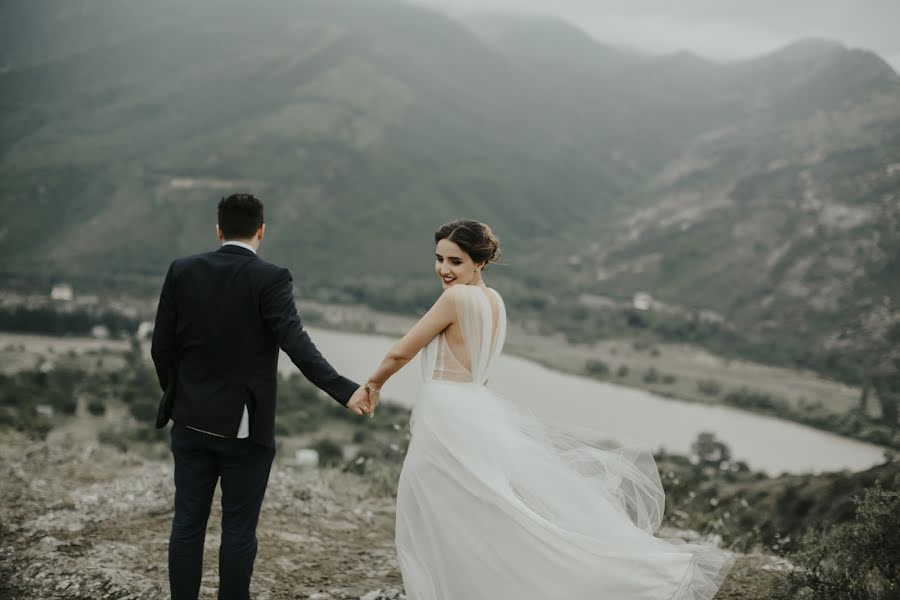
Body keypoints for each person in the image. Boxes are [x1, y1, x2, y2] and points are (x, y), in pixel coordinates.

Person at [362, 220, 734, 599]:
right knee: (478, 506)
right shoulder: (495, 302)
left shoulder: (456, 299)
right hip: (474, 406)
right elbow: (482, 370)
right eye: (439, 259)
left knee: (432, 507)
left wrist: (372, 385)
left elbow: (401, 350)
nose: (444, 269)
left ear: (479, 263)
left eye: (455, 261)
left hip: (449, 412)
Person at [150, 193, 371, 600]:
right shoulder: (270, 278)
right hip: (243, 429)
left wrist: (181, 396)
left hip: (189, 421)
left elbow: (160, 347)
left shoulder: (182, 270)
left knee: (186, 525)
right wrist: (345, 390)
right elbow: (296, 344)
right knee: (237, 530)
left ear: (218, 230)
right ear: (261, 231)